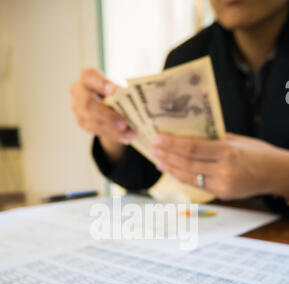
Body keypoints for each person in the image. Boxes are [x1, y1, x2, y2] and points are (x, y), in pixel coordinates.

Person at [71, 0, 289, 214]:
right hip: (225, 231)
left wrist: (279, 174)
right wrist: (113, 127)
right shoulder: (188, 57)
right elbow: (142, 173)